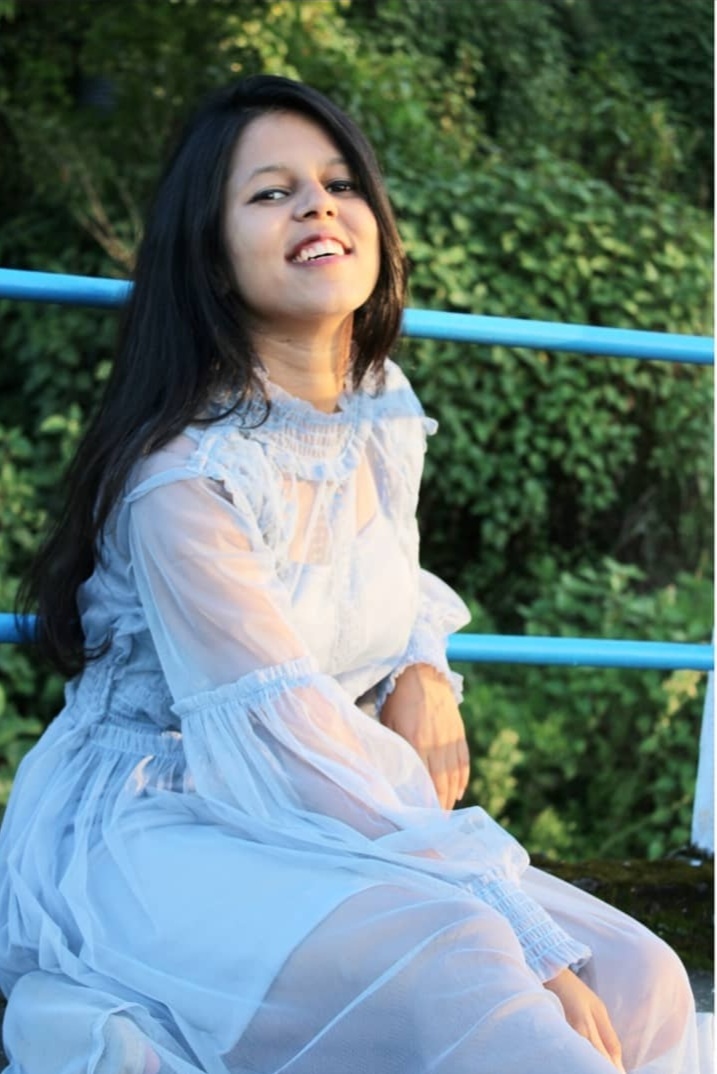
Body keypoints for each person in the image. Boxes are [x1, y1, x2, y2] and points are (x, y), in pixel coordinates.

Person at [0, 75, 705, 1074]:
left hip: (321, 805)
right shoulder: (184, 480)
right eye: (270, 192)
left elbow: (378, 568)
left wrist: (420, 663)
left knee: (642, 974)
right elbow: (283, 740)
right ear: (210, 254)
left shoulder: (379, 404)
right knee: (468, 957)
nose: (317, 207)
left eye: (339, 184)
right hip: (161, 828)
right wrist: (513, 919)